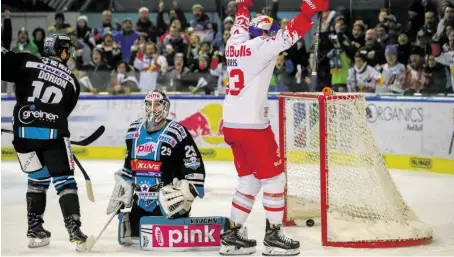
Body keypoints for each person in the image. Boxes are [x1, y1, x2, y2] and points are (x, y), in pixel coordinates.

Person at [220, 0, 328, 255]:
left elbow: (239, 24)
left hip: (232, 125)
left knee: (249, 180)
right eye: (271, 31)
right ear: (265, 33)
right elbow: (290, 35)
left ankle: (232, 235)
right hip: (253, 127)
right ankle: (274, 236)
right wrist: (308, 11)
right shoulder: (263, 47)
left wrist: (243, 8)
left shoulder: (234, 44)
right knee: (274, 178)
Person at [1, 34, 86, 251]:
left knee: (37, 179)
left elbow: (3, 64)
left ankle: (35, 229)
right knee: (65, 181)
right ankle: (75, 232)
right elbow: (64, 111)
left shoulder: (27, 61)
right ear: (62, 51)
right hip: (53, 135)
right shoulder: (73, 82)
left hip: (23, 135)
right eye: (67, 49)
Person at [106, 90, 207, 246]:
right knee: (136, 239)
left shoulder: (177, 131)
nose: (152, 108)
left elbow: (193, 161)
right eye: (148, 104)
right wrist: (123, 185)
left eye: (157, 104)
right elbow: (129, 164)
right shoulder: (134, 131)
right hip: (140, 202)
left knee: (163, 244)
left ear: (165, 107)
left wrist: (190, 189)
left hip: (168, 202)